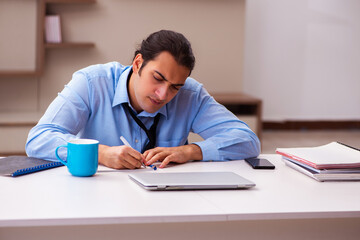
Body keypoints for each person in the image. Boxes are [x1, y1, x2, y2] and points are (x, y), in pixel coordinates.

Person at [26, 30, 260, 169]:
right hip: (95, 200)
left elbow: (247, 140)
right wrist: (101, 154)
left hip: (165, 205)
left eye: (175, 87)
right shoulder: (91, 83)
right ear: (138, 63)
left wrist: (191, 151)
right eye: (157, 78)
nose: (163, 95)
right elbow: (38, 139)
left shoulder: (191, 94)